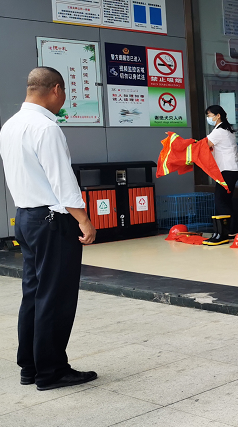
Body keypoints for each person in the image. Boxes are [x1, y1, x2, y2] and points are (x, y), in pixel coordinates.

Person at [0, 67, 97, 390]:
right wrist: (83, 220)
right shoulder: (46, 127)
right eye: (64, 92)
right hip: (52, 221)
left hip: (26, 219)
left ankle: (30, 366)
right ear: (56, 89)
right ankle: (52, 370)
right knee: (56, 297)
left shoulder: (10, 125)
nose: (64, 99)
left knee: (34, 293)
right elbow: (62, 181)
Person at [202, 105, 238, 246]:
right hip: (232, 169)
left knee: (220, 200)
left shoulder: (219, 132)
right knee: (225, 200)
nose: (208, 118)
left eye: (209, 115)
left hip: (227, 170)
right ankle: (232, 229)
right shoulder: (227, 129)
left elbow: (203, 145)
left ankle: (225, 231)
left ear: (218, 115)